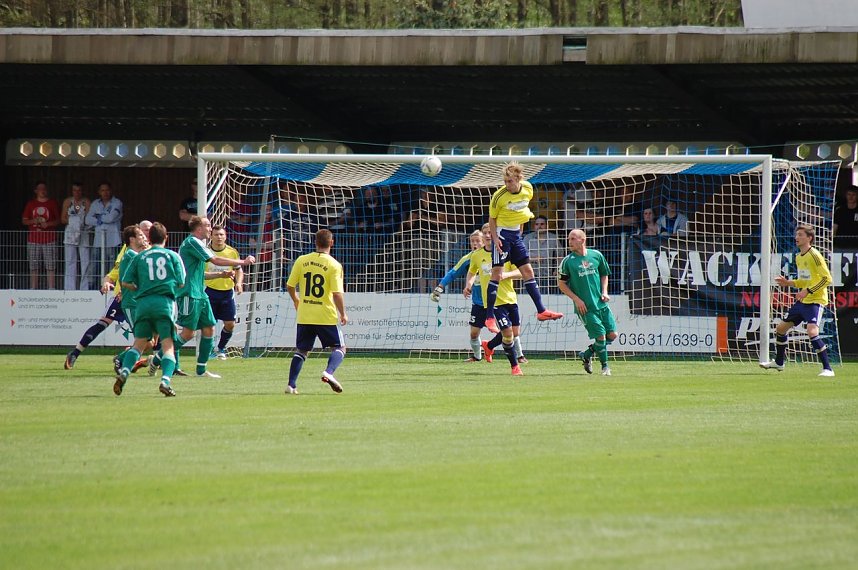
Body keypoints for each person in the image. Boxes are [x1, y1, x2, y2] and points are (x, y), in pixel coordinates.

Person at [485, 161, 563, 334]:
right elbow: (492, 219)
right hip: (503, 236)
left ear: (519, 179)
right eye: (505, 181)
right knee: (497, 274)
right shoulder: (499, 196)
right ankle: (489, 318)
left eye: (510, 181)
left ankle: (541, 311)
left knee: (528, 272)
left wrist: (520, 232)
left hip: (516, 237)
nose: (507, 185)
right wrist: (495, 238)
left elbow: (522, 212)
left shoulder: (528, 189)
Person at [63, 220, 152, 370]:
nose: (146, 234)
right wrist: (107, 281)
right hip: (122, 296)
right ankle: (75, 353)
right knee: (102, 324)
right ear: (134, 237)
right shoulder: (128, 251)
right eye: (144, 231)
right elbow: (118, 271)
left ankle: (126, 358)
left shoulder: (151, 251)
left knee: (150, 340)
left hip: (139, 300)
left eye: (149, 231)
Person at [175, 216, 255, 378]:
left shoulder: (199, 245)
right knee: (188, 333)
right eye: (208, 226)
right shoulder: (192, 242)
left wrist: (221, 274)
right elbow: (215, 259)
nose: (210, 229)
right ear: (198, 229)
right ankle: (157, 358)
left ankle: (201, 370)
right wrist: (243, 262)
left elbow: (201, 274)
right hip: (188, 293)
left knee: (209, 328)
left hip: (201, 294)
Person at [115, 222, 186, 397]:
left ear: (149, 238)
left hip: (143, 304)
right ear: (166, 237)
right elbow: (182, 281)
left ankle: (124, 371)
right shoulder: (173, 256)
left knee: (139, 344)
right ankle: (165, 382)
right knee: (168, 346)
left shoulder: (140, 257)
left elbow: (124, 281)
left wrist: (141, 288)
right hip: (164, 303)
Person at [760, 225, 835, 377]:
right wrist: (789, 283)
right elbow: (804, 280)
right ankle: (779, 362)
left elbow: (827, 279)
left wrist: (808, 290)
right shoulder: (799, 256)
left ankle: (828, 369)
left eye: (800, 235)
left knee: (811, 330)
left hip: (815, 300)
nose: (797, 237)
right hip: (803, 301)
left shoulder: (814, 255)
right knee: (781, 329)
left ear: (809, 238)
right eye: (796, 235)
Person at [285, 229, 348, 395]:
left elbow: (290, 286)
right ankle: (329, 372)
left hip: (305, 313)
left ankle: (291, 385)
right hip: (325, 315)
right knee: (340, 348)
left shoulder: (302, 260)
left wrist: (296, 300)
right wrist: (343, 313)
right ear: (331, 243)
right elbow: (336, 293)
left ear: (315, 242)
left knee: (302, 351)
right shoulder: (334, 265)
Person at [558, 228, 618, 376]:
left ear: (582, 240)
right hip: (585, 307)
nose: (569, 242)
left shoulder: (596, 255)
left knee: (613, 335)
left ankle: (587, 354)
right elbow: (561, 284)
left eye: (573, 238)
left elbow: (604, 274)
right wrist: (577, 300)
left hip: (601, 304)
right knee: (601, 336)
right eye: (569, 239)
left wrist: (604, 292)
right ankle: (605, 367)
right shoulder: (568, 261)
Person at [464, 232, 526, 375]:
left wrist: (506, 275)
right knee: (507, 332)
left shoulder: (506, 252)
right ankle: (515, 367)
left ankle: (489, 345)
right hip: (493, 301)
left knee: (514, 333)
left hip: (510, 298)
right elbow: (472, 272)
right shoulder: (477, 255)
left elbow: (521, 272)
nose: (487, 235)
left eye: (490, 233)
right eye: (485, 233)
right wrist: (468, 284)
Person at [204, 225, 244, 360]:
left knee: (230, 324)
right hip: (210, 292)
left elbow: (239, 269)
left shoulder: (232, 252)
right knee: (210, 325)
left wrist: (238, 283)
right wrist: (220, 275)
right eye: (216, 235)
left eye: (221, 234)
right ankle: (208, 351)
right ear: (211, 236)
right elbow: (202, 273)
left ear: (225, 236)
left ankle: (221, 349)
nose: (219, 237)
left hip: (227, 292)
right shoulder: (206, 252)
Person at [21, 180, 61, 289]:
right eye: (40, 189)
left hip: (49, 239)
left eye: (44, 189)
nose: (42, 191)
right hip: (34, 239)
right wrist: (34, 221)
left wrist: (47, 224)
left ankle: (51, 288)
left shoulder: (52, 203)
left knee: (51, 265)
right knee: (33, 265)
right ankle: (33, 288)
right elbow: (24, 221)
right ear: (35, 191)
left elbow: (58, 220)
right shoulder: (31, 204)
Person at [85, 181, 123, 283]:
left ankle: (111, 289)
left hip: (113, 241)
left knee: (111, 267)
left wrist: (97, 216)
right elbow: (87, 219)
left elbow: (111, 218)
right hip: (98, 241)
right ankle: (93, 290)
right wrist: (101, 219)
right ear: (99, 192)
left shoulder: (117, 203)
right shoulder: (95, 204)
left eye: (107, 190)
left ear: (111, 191)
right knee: (95, 266)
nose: (105, 192)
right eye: (103, 190)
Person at [60, 182, 92, 290]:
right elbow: (63, 218)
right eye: (75, 190)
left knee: (85, 262)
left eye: (79, 190)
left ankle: (85, 288)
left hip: (83, 233)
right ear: (72, 191)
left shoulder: (86, 202)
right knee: (70, 262)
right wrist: (73, 221)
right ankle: (69, 288)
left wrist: (80, 222)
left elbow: (89, 218)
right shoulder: (67, 202)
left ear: (82, 191)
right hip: (70, 234)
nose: (77, 193)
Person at [524, 215, 563, 292]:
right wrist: (534, 258)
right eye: (537, 224)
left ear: (547, 225)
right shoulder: (528, 238)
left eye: (542, 224)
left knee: (547, 298)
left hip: (548, 276)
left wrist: (557, 269)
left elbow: (560, 255)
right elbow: (521, 255)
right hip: (530, 274)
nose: (539, 226)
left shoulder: (553, 238)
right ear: (534, 226)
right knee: (528, 298)